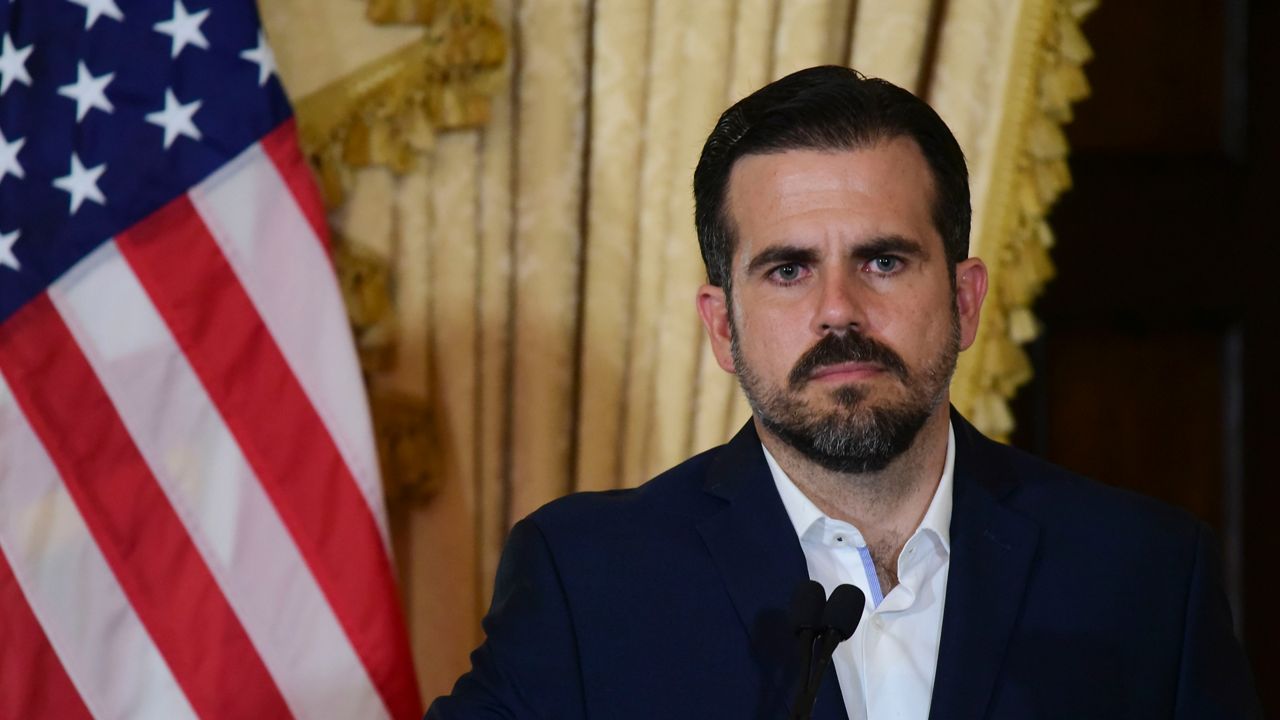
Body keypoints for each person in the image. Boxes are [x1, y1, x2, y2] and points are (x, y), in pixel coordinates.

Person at [426, 66, 1260, 719]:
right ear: (723, 327)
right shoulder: (590, 580)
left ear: (966, 301)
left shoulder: (1145, 575)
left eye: (883, 262)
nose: (838, 312)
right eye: (788, 270)